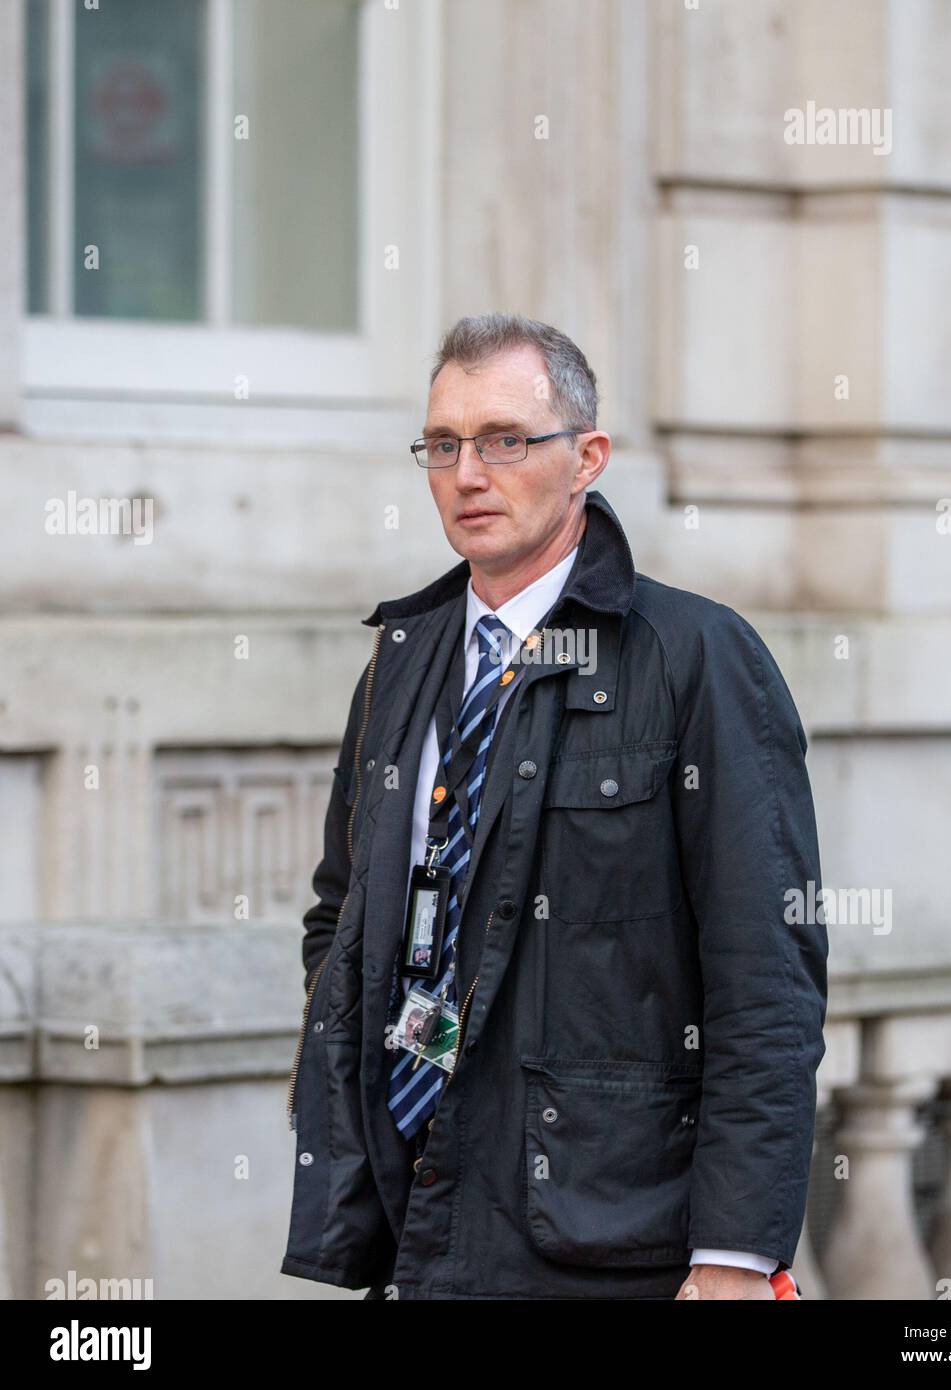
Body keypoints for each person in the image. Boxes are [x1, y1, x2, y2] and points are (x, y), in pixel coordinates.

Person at [281, 313, 828, 1300]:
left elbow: (767, 977)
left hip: (610, 1239)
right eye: (442, 445)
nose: (467, 474)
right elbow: (341, 907)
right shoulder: (401, 662)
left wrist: (736, 1253)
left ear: (587, 459)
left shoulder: (696, 658)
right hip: (415, 1213)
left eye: (504, 440)